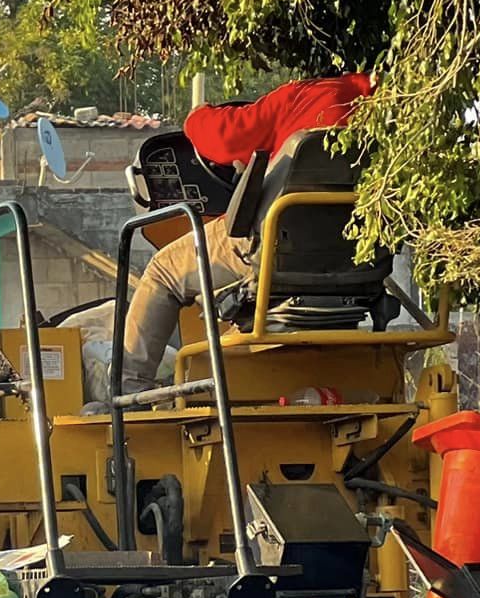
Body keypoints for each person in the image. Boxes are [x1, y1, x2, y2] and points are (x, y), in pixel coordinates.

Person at [122, 74, 373, 386]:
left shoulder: (306, 95)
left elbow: (226, 136)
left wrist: (197, 116)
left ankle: (129, 388)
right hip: (360, 259)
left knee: (163, 271)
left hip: (272, 248)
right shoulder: (396, 111)